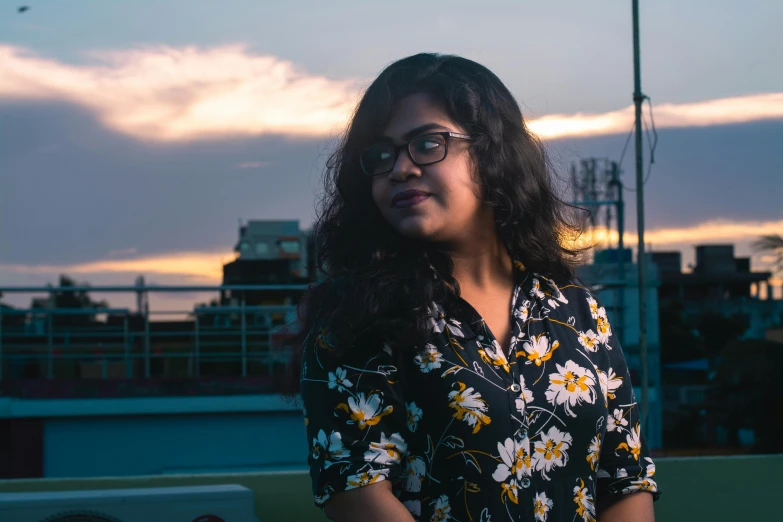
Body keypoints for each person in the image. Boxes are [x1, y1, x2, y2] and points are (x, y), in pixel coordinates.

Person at [292, 53, 660, 522]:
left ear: (493, 152)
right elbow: (354, 488)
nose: (399, 168)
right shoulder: (356, 317)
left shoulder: (578, 312)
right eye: (380, 155)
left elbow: (625, 479)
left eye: (427, 143)